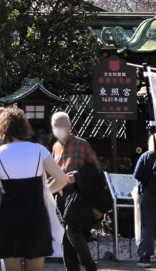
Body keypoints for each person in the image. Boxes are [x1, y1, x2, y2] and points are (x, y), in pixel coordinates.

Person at [0, 108, 68, 271]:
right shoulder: (39, 150)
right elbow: (62, 180)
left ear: (2, 128)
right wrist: (46, 190)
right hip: (36, 217)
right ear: (25, 127)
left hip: (9, 219)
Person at [51, 112, 101, 271]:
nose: (58, 128)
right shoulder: (55, 147)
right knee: (66, 236)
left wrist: (77, 177)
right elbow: (55, 173)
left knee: (71, 229)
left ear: (69, 126)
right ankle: (74, 268)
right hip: (61, 196)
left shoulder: (81, 144)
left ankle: (89, 265)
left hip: (78, 194)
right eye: (55, 125)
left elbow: (96, 170)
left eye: (61, 125)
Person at [133, 141, 156, 265]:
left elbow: (137, 174)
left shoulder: (147, 155)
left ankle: (145, 256)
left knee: (148, 225)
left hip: (149, 193)